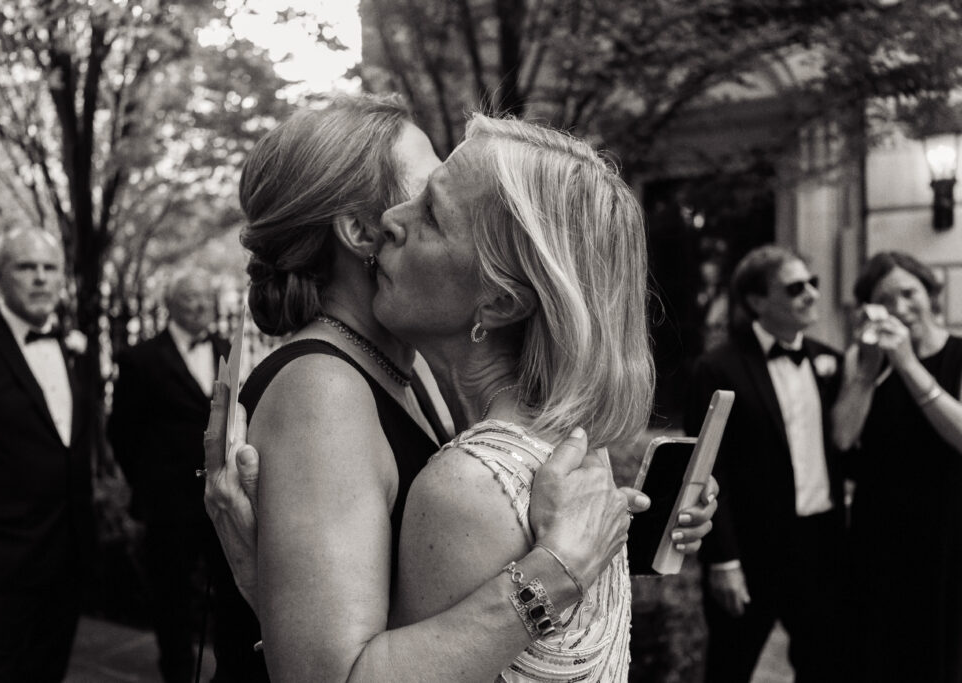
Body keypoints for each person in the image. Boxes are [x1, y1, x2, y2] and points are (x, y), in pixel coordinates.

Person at [204, 97, 718, 682]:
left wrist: (617, 527)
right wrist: (560, 569)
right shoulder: (324, 391)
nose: (403, 217)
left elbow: (451, 569)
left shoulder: (410, 368)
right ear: (357, 231)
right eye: (423, 193)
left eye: (430, 208)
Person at [684, 245, 846, 683]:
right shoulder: (716, 368)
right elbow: (706, 470)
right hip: (754, 551)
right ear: (756, 301)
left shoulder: (830, 360)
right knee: (730, 667)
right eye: (795, 288)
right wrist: (723, 561)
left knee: (824, 664)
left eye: (812, 283)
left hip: (821, 546)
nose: (811, 293)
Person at [0, 228, 94, 682]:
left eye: (50, 268)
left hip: (67, 557)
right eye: (26, 267)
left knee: (48, 673)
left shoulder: (73, 349)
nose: (41, 279)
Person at [108, 270, 262, 682]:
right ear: (172, 303)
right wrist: (148, 482)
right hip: (167, 504)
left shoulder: (225, 351)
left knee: (230, 593)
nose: (200, 307)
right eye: (191, 298)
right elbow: (121, 431)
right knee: (171, 598)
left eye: (205, 300)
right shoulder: (140, 358)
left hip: (221, 499)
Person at [832, 251, 962, 683]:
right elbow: (843, 437)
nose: (900, 308)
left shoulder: (958, 354)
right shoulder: (861, 359)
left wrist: (906, 363)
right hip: (879, 528)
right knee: (879, 649)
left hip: (947, 526)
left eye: (909, 293)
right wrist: (870, 370)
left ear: (931, 293)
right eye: (885, 299)